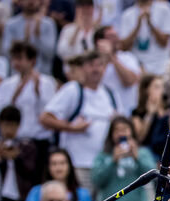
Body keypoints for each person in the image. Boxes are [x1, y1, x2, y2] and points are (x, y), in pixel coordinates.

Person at [40, 49, 122, 191]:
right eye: (91, 65)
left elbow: (122, 124)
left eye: (100, 65)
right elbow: (45, 118)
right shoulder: (72, 90)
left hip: (105, 165)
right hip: (78, 165)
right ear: (83, 68)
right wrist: (72, 128)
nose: (96, 69)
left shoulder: (110, 94)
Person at [0, 41, 58, 166]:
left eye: (20, 58)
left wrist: (38, 93)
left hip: (39, 141)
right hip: (14, 141)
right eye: (14, 59)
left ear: (32, 61)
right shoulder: (6, 85)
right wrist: (14, 97)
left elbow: (50, 116)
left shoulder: (47, 83)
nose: (16, 63)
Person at [90, 115, 156, 201]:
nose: (121, 133)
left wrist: (137, 158)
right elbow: (97, 181)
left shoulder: (142, 153)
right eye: (117, 130)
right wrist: (113, 161)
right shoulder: (103, 155)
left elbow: (154, 176)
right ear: (111, 134)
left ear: (131, 131)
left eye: (125, 129)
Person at [0, 105, 39, 201]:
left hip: (21, 196)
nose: (8, 130)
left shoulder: (27, 147)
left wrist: (17, 157)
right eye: (5, 125)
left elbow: (32, 171)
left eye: (12, 125)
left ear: (18, 126)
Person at [25, 147, 93, 201]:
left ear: (70, 166)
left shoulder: (83, 194)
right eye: (54, 163)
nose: (58, 167)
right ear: (48, 167)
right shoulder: (36, 192)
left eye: (62, 163)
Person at [119, 0, 170, 75]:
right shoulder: (127, 14)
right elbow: (123, 48)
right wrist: (137, 27)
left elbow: (164, 43)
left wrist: (151, 24)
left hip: (161, 67)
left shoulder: (165, 9)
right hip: (137, 68)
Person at [96, 25, 143, 114]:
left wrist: (112, 57)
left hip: (127, 112)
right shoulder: (93, 62)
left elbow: (130, 81)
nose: (117, 39)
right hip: (103, 112)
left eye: (116, 35)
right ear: (99, 41)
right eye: (111, 37)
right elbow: (92, 82)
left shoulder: (128, 57)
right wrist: (104, 60)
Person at [2, 0, 58, 75]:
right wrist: (24, 40)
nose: (31, 1)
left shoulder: (48, 24)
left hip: (43, 75)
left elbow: (50, 54)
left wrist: (38, 37)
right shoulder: (11, 24)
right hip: (17, 76)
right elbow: (6, 52)